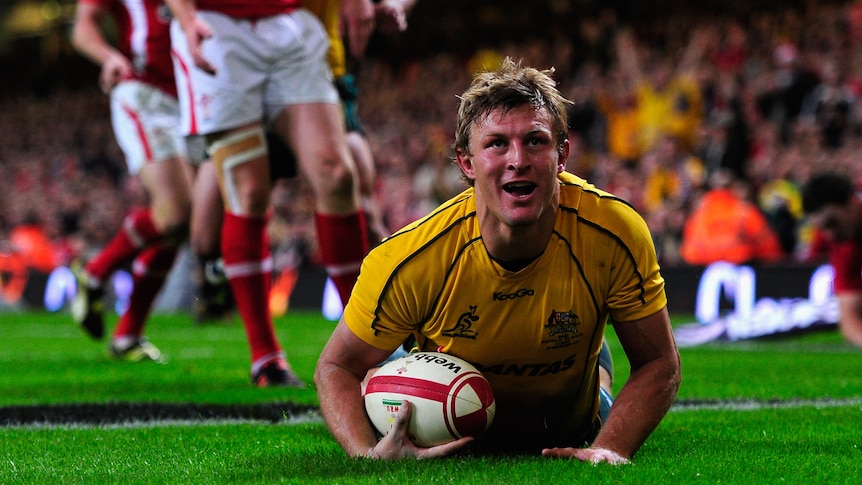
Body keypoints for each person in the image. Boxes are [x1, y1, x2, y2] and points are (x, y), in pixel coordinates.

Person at [314, 58, 681, 462]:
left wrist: (610, 448)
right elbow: (335, 367)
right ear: (466, 163)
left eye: (536, 141)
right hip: (455, 426)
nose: (517, 159)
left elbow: (659, 361)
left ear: (563, 156)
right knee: (378, 373)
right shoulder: (410, 257)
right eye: (497, 144)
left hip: (570, 425)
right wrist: (367, 452)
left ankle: (596, 372)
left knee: (597, 395)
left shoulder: (616, 232)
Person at [165, 0, 373, 387]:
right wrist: (186, 17)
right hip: (216, 27)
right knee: (249, 190)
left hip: (288, 22)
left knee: (337, 175)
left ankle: (365, 342)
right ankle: (265, 357)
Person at [69, 0, 194, 362]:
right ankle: (97, 270)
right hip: (144, 92)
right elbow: (84, 24)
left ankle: (127, 334)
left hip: (193, 96)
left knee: (183, 224)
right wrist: (108, 56)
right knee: (175, 213)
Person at [801, 170, 862, 346]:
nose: (830, 236)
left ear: (851, 202)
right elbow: (849, 322)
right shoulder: (844, 247)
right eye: (822, 229)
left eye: (832, 223)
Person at [679, 168, 785, 266]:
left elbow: (689, 253)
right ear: (733, 187)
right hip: (743, 268)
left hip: (704, 272)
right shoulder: (745, 211)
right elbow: (770, 248)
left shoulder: (697, 215)